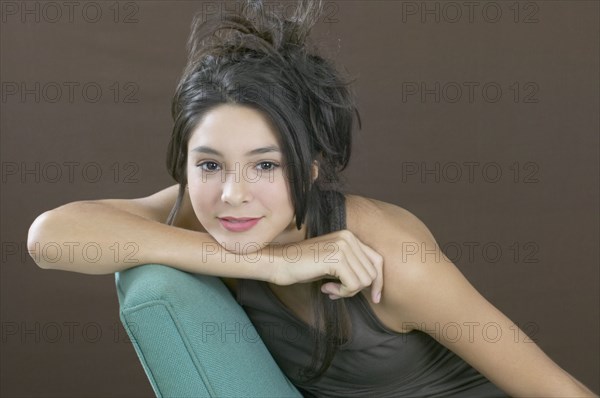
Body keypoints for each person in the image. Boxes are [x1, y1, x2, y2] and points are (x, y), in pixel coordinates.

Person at [28, 1, 597, 397]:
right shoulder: (208, 215)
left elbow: (557, 391)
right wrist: (273, 263)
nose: (232, 194)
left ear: (314, 166)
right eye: (208, 164)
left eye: (266, 165)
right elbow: (48, 239)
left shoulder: (392, 257)